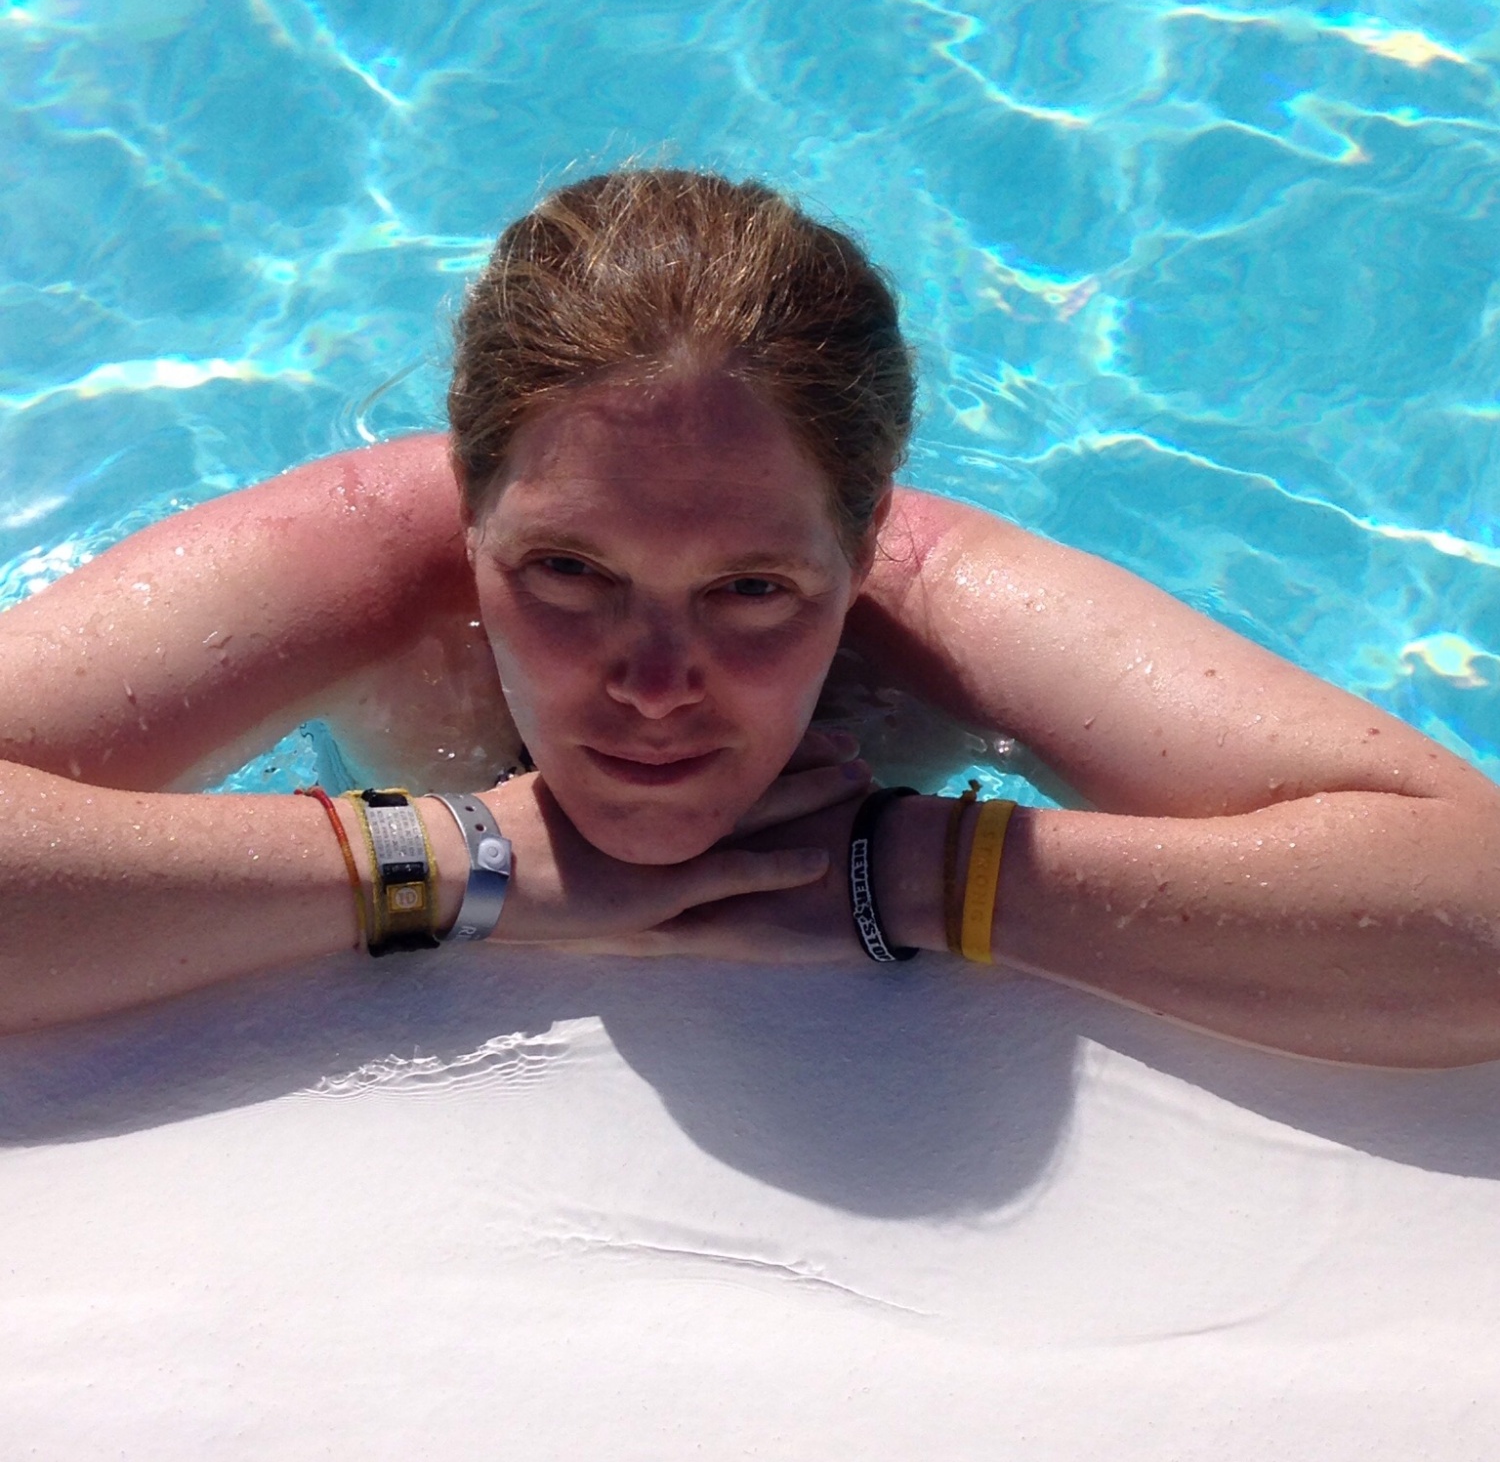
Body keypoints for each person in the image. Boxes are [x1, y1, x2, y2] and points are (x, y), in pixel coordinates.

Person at [1, 168, 1496, 1065]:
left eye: (753, 592)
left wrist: (914, 870)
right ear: (465, 510)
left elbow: (1471, 900)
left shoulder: (943, 605)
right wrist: (449, 859)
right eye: (568, 573)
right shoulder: (362, 561)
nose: (657, 683)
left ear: (865, 541)